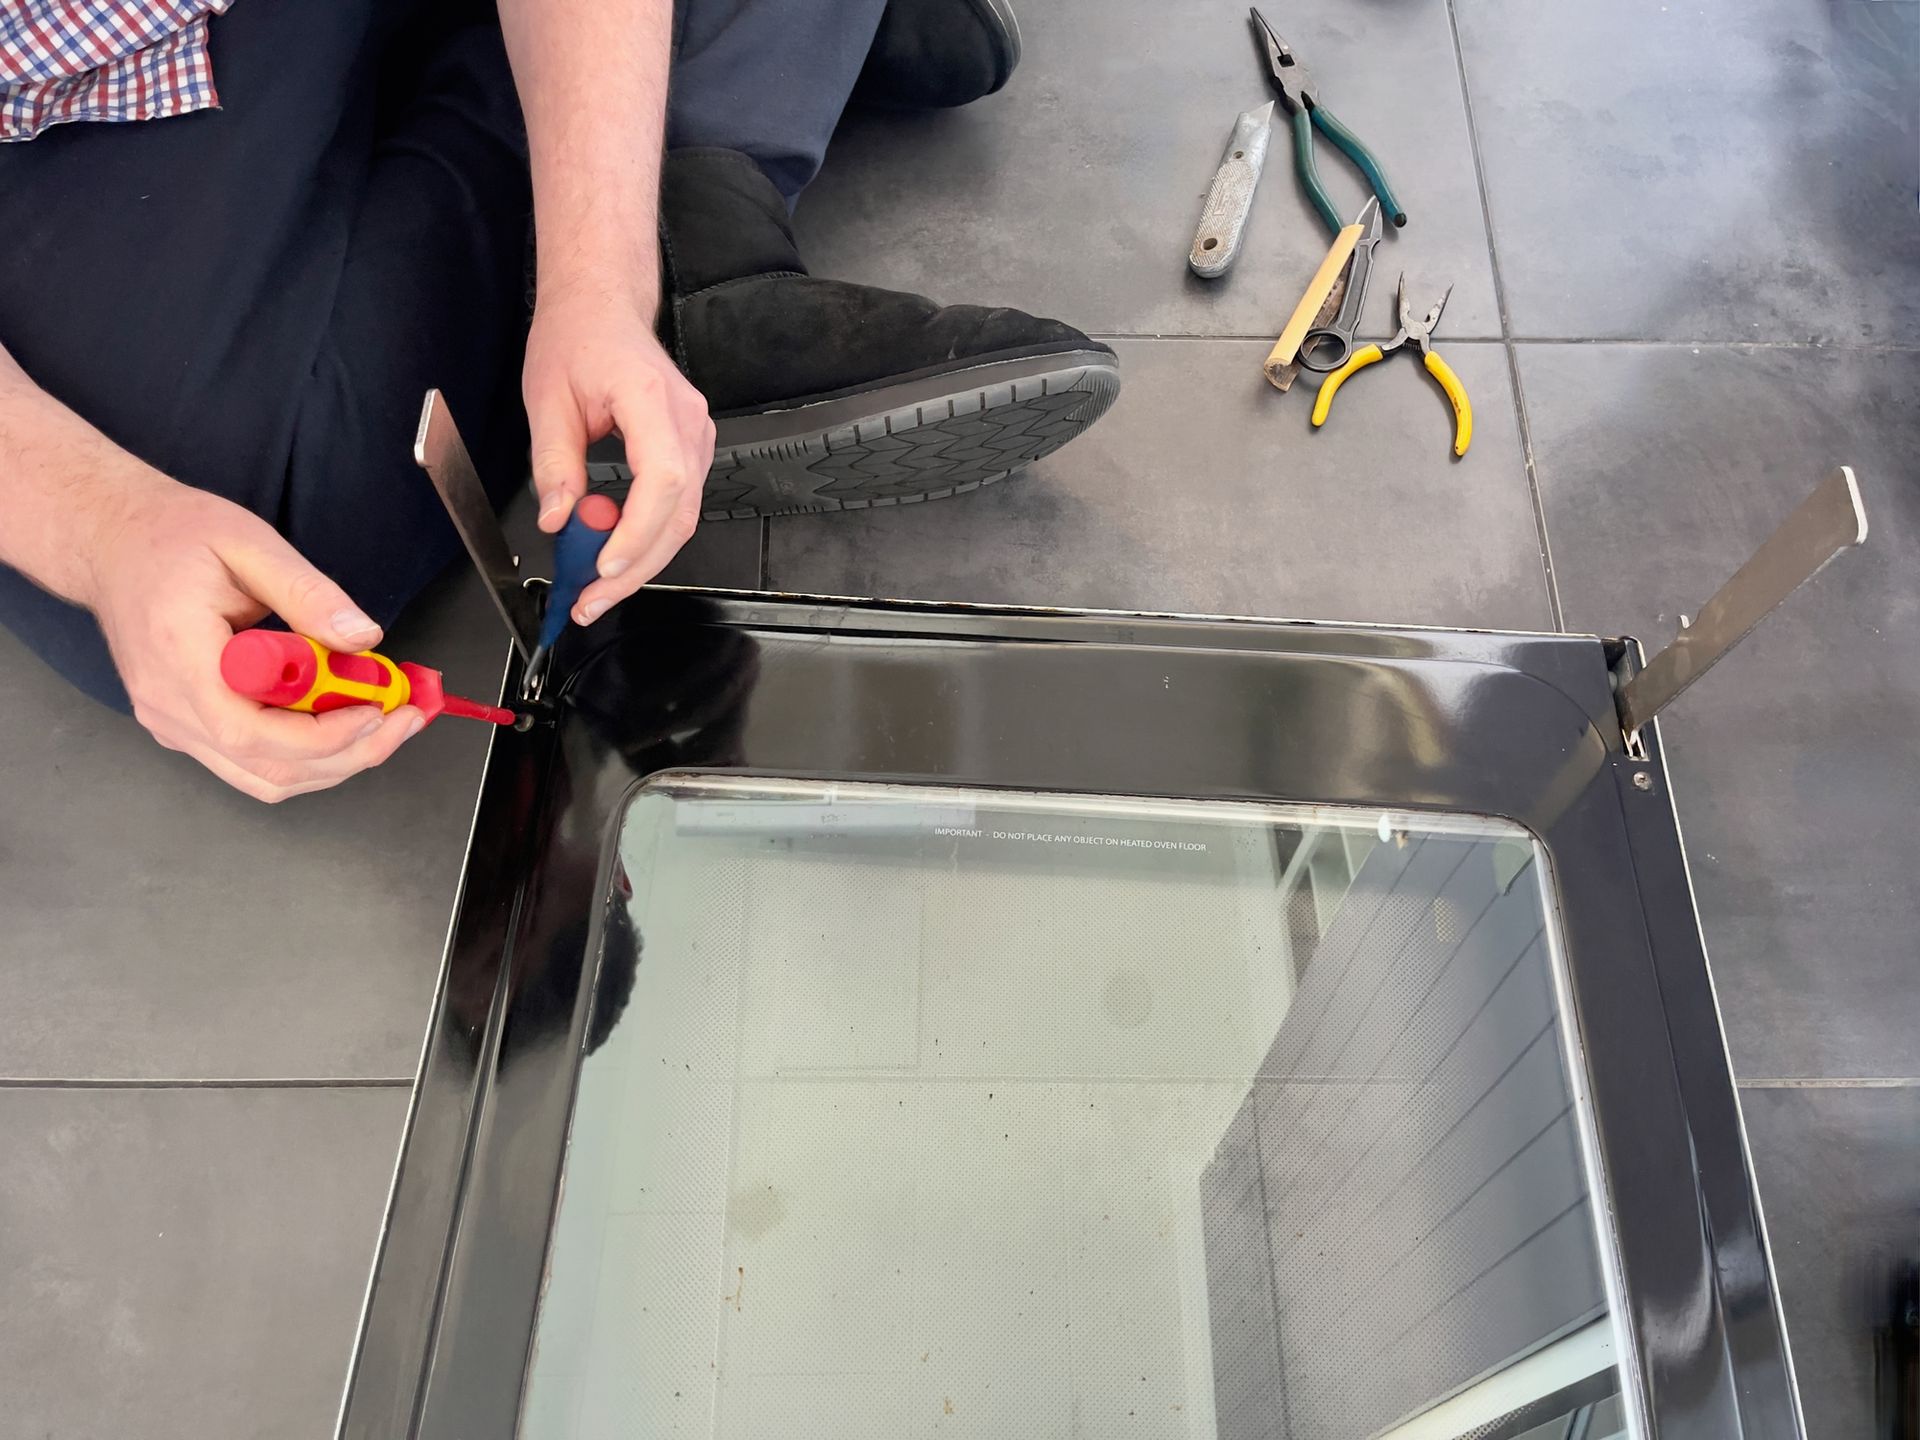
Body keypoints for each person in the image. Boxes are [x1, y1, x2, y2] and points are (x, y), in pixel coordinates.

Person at [0, 0, 1118, 801]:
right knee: (251, 576)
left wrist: (598, 280)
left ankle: (708, 197)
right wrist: (102, 527)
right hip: (75, 84)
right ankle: (732, 62)